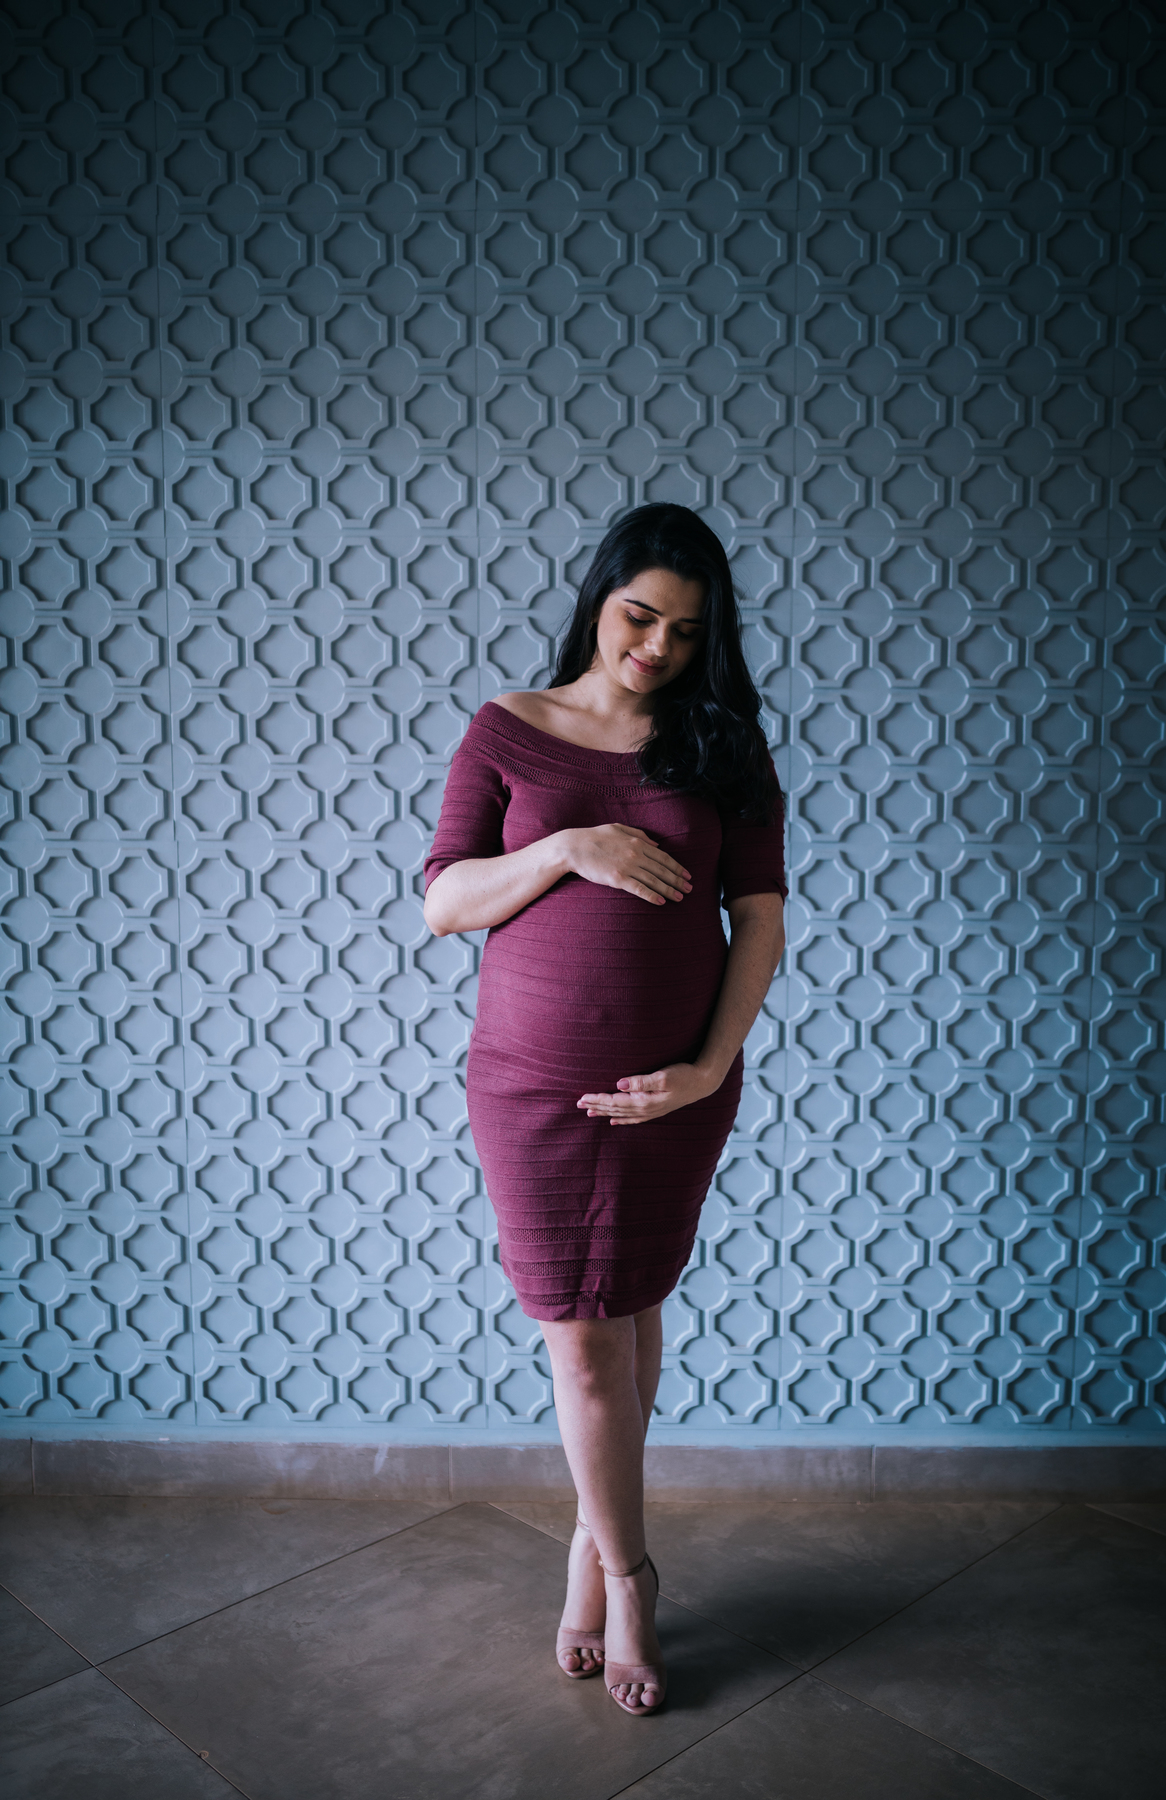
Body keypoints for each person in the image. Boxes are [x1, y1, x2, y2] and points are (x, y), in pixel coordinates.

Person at [423, 504, 786, 1715]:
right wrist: (568, 848)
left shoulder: (722, 745)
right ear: (598, 600)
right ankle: (631, 1576)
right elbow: (444, 901)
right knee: (583, 1340)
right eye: (640, 617)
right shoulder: (509, 729)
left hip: (673, 1091)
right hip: (528, 1088)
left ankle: (590, 1550)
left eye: (686, 632)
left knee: (629, 1319)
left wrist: (709, 1069)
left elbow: (762, 920)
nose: (657, 648)